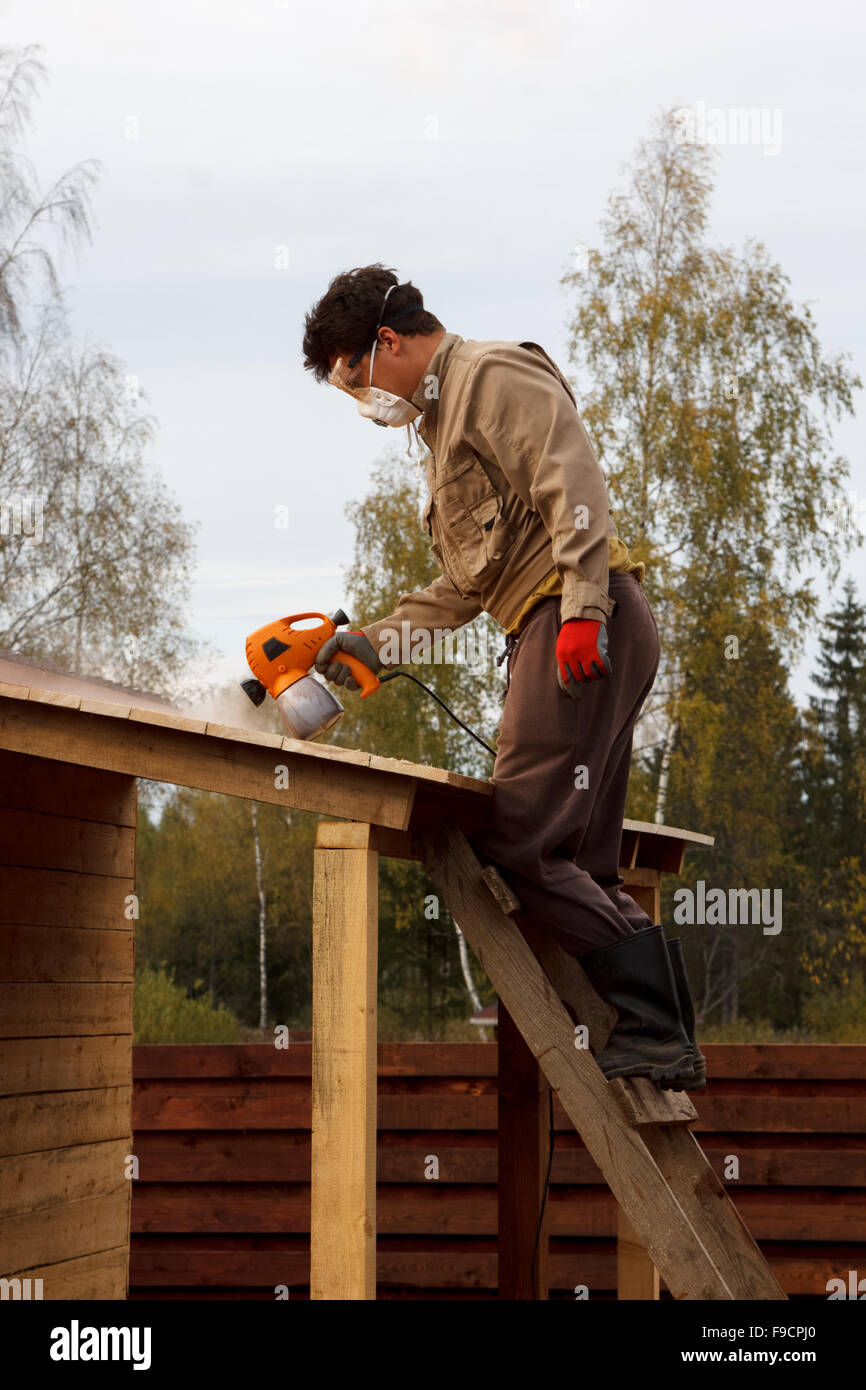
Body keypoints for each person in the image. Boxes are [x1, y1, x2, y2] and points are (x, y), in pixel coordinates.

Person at [301, 263, 705, 1091]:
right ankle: (658, 1034)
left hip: (574, 620)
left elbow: (575, 481)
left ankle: (660, 1027)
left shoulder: (490, 374)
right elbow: (465, 585)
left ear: (386, 342)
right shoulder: (442, 427)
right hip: (557, 621)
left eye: (355, 379)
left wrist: (585, 609)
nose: (363, 402)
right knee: (580, 861)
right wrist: (375, 644)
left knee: (516, 839)